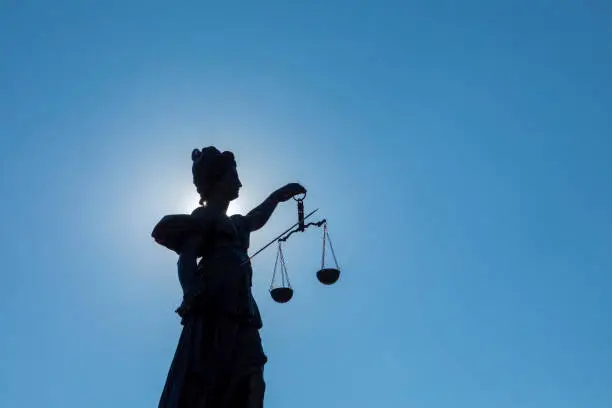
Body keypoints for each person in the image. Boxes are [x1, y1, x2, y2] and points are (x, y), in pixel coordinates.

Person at [152, 146, 306, 408]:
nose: (240, 183)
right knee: (211, 373)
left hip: (242, 307)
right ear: (218, 181)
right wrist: (191, 290)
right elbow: (186, 257)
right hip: (215, 301)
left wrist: (278, 197)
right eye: (234, 177)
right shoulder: (205, 217)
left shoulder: (236, 222)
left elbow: (256, 217)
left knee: (253, 377)